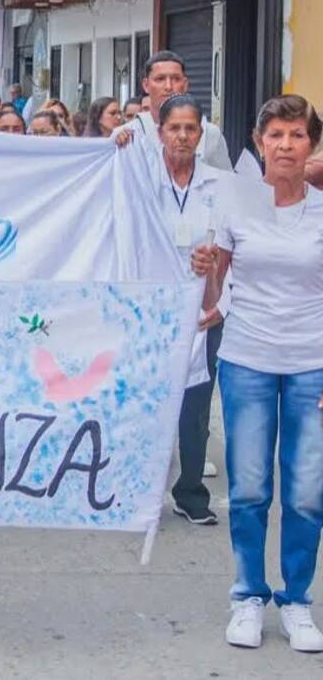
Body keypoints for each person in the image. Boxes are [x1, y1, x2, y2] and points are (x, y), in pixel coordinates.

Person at [195, 95, 323, 652]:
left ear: (311, 145)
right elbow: (213, 295)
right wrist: (204, 273)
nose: (287, 146)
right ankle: (248, 595)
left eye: (297, 135)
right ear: (258, 141)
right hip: (246, 358)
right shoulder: (235, 204)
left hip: (312, 364)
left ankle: (297, 601)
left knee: (306, 493)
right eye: (277, 135)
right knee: (249, 488)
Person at [148, 95, 228, 528]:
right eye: (174, 128)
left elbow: (234, 245)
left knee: (195, 407)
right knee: (146, 400)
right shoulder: (140, 179)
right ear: (160, 132)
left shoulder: (218, 185)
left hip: (203, 306)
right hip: (149, 308)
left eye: (190, 128)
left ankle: (191, 492)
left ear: (201, 134)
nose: (182, 136)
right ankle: (139, 490)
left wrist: (217, 288)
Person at [114, 51, 231, 170]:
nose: (168, 86)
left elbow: (225, 184)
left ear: (185, 85)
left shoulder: (209, 134)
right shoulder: (125, 135)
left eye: (176, 79)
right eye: (160, 79)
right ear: (146, 85)